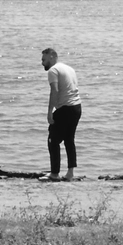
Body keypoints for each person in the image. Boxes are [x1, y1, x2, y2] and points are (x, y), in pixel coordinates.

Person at [41, 46, 81, 180]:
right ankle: (70, 173)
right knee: (69, 140)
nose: (42, 63)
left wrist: (50, 112)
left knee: (53, 140)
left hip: (66, 108)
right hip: (77, 107)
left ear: (51, 57)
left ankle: (54, 174)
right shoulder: (69, 69)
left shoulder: (53, 70)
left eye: (44, 60)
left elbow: (54, 91)